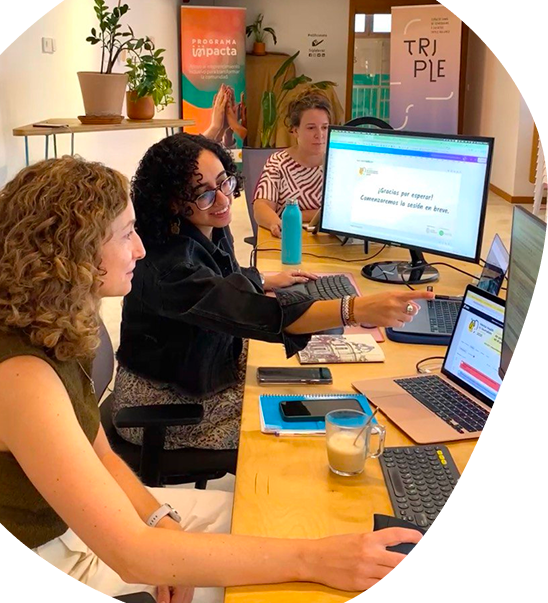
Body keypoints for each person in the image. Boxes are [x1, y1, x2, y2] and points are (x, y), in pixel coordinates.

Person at [0, 155, 422, 603]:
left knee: (259, 516)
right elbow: (132, 556)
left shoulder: (52, 327)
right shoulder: (21, 379)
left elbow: (100, 454)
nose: (140, 250)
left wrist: (160, 519)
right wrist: (313, 560)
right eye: (126, 235)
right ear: (73, 252)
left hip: (79, 530)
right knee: (283, 592)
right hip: (59, 552)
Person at [113, 133, 432, 452]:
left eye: (224, 183)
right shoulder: (170, 268)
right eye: (204, 195)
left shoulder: (205, 224)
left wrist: (263, 279)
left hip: (203, 366)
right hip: (166, 404)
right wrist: (354, 309)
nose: (223, 200)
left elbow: (220, 281)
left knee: (326, 391)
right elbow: (256, 312)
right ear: (172, 202)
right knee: (308, 431)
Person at [253, 92, 332, 237]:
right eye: (311, 128)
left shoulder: (337, 163)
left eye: (324, 127)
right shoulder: (278, 162)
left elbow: (344, 212)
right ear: (295, 131)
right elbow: (261, 207)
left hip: (329, 242)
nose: (319, 134)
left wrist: (295, 215)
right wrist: (276, 224)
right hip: (287, 237)